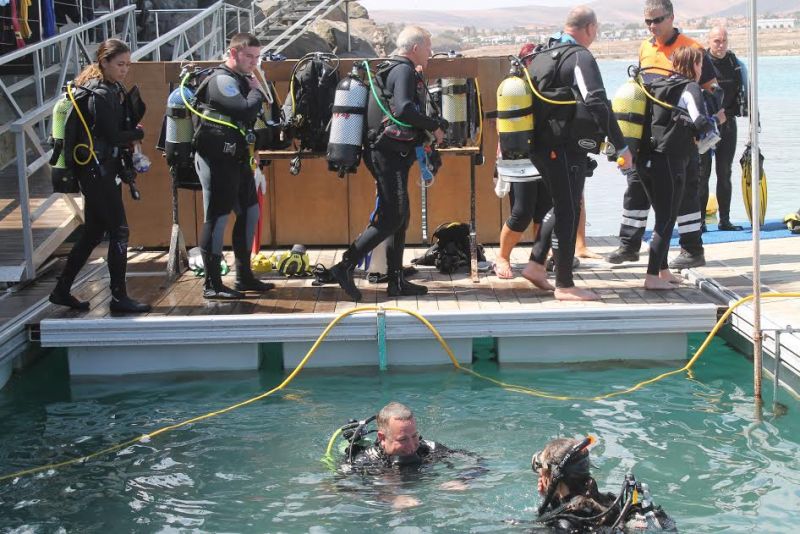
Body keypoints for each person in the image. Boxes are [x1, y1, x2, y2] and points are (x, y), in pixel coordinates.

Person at [330, 26, 447, 302]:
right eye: (428, 47)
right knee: (393, 216)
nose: (431, 53)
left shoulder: (391, 68)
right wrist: (435, 126)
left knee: (400, 215)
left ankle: (396, 281)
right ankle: (344, 266)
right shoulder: (404, 69)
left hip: (391, 151)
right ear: (415, 47)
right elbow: (405, 108)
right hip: (387, 154)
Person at [523, 6, 631, 301]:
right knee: (568, 210)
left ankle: (535, 265)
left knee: (562, 205)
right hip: (562, 147)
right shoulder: (580, 56)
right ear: (590, 28)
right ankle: (565, 284)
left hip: (540, 146)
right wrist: (620, 144)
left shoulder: (544, 54)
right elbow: (597, 101)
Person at [607, 0, 719, 270]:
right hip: (646, 133)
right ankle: (629, 245)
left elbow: (714, 92)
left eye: (657, 20)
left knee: (687, 190)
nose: (652, 26)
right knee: (636, 185)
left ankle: (692, 249)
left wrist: (700, 120)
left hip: (680, 137)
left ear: (671, 17)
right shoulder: (646, 47)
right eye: (647, 21)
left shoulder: (692, 49)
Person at [48, 38, 151, 314]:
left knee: (93, 232)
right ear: (103, 62)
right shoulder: (101, 93)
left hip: (99, 168)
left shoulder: (105, 88)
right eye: (119, 64)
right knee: (119, 230)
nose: (124, 70)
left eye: (128, 65)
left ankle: (61, 290)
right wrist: (137, 134)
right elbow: (113, 135)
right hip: (98, 170)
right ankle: (119, 297)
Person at [193, 32, 275, 299]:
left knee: (250, 213)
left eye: (257, 57)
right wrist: (255, 91)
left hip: (238, 158)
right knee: (217, 219)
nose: (254, 62)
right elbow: (243, 109)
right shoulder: (221, 80)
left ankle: (244, 276)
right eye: (248, 56)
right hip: (216, 158)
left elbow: (251, 119)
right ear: (233, 53)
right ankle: (212, 284)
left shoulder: (243, 79)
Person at [639, 46, 721, 290]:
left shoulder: (660, 86)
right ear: (693, 65)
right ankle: (652, 276)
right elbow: (699, 119)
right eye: (699, 64)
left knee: (663, 215)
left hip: (650, 159)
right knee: (666, 218)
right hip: (671, 159)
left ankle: (662, 270)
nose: (701, 69)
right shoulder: (690, 87)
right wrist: (711, 129)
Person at [531, 436, 677, 532]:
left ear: (554, 475)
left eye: (540, 469)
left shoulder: (563, 525)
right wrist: (551, 497)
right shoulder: (608, 501)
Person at [699, 25, 748, 231]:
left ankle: (724, 220)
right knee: (702, 173)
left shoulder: (735, 64)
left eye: (724, 41)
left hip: (727, 125)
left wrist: (729, 115)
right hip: (705, 126)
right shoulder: (700, 62)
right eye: (716, 41)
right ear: (709, 42)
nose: (720, 45)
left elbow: (744, 95)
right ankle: (699, 222)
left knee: (724, 172)